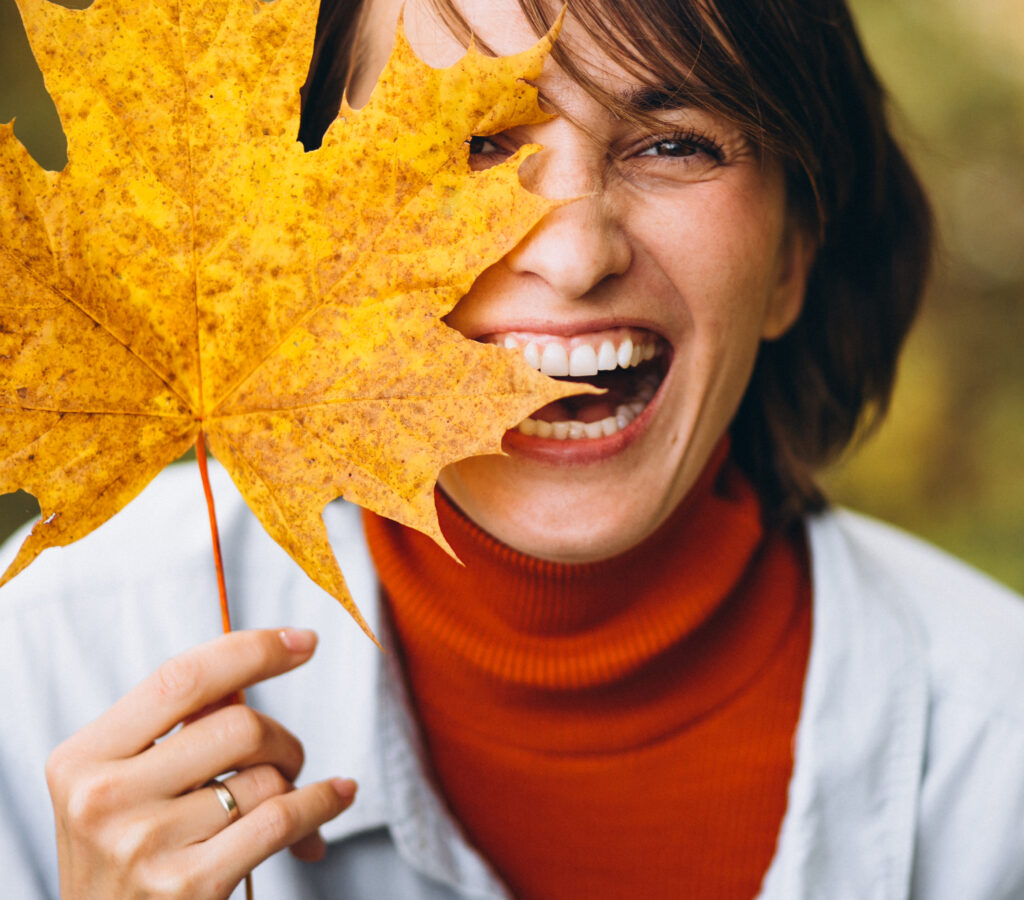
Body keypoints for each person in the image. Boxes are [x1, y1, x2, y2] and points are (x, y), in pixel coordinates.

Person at [2, 0, 1024, 897]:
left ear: (794, 252)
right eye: (472, 140)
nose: (575, 253)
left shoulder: (995, 749)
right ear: (298, 227)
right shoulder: (44, 665)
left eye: (675, 143)